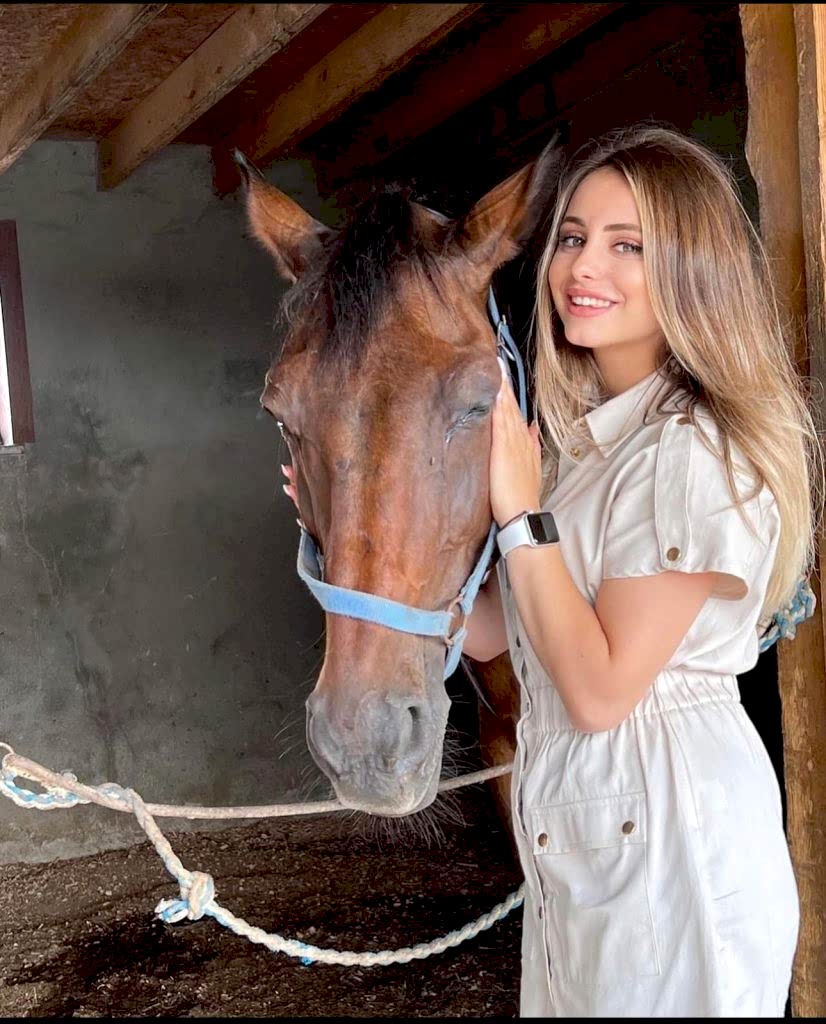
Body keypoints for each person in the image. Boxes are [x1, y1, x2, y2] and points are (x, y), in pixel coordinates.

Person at [461, 125, 823, 1017]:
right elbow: (498, 631)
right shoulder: (584, 453)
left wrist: (518, 511)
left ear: (694, 272)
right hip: (588, 836)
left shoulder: (691, 452)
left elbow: (598, 691)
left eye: (629, 245)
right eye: (573, 237)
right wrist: (343, 531)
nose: (584, 266)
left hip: (674, 843)